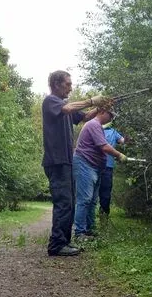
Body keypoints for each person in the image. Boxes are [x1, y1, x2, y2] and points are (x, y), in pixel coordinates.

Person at [42, 70, 105, 256]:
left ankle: (63, 243)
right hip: (56, 161)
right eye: (68, 84)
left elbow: (84, 117)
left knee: (69, 203)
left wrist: (101, 108)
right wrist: (93, 100)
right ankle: (56, 245)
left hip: (67, 161)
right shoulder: (51, 101)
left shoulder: (65, 107)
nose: (71, 87)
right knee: (63, 203)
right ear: (56, 84)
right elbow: (68, 108)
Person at [73, 107, 127, 241]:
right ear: (102, 112)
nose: (111, 118)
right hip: (85, 165)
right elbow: (104, 146)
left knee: (92, 201)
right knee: (84, 200)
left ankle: (90, 230)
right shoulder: (93, 124)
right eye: (111, 115)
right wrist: (119, 154)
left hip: (95, 167)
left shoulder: (98, 127)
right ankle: (79, 233)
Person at [99, 121, 125, 217]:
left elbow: (123, 141)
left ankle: (104, 216)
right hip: (94, 165)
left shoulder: (113, 132)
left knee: (106, 194)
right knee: (91, 194)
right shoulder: (95, 128)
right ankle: (88, 221)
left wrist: (127, 137)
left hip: (108, 167)